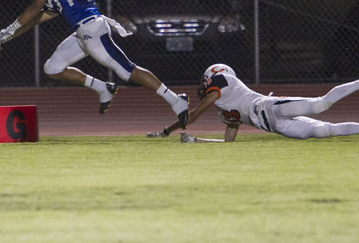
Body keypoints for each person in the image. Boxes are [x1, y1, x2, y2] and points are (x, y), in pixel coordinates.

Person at [0, 0, 189, 124]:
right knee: (52, 68)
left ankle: (176, 100)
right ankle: (103, 88)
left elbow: (34, 7)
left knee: (126, 70)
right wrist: (2, 38)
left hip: (92, 29)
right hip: (82, 32)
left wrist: (8, 28)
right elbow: (35, 19)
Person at [147, 63, 359, 143]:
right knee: (324, 132)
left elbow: (194, 114)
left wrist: (168, 130)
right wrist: (198, 141)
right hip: (278, 127)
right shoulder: (223, 111)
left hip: (270, 106)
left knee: (320, 105)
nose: (204, 85)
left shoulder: (223, 81)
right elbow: (229, 143)